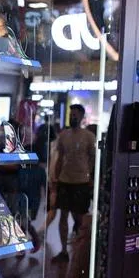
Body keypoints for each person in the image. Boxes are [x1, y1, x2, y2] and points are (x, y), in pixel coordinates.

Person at [49, 104, 96, 260]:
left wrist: (91, 178)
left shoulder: (89, 137)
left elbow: (93, 159)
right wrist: (55, 176)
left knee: (80, 216)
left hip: (81, 181)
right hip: (65, 180)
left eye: (76, 114)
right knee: (63, 215)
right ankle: (64, 251)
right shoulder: (64, 135)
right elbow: (60, 157)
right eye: (71, 114)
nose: (73, 117)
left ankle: (80, 251)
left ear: (82, 117)